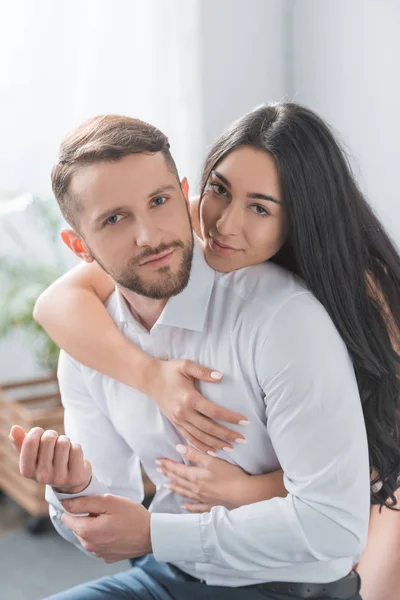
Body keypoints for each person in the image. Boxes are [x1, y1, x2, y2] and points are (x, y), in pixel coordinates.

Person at [8, 104, 394, 598]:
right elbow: (102, 522)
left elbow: (335, 520)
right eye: (115, 219)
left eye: (158, 201)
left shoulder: (289, 316)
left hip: (291, 580)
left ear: (180, 197)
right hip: (169, 573)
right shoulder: (90, 337)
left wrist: (157, 532)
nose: (148, 235)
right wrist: (73, 488)